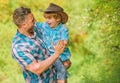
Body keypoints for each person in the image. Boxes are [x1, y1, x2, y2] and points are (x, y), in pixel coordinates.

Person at [11, 6, 66, 83]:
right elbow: (37, 69)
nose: (35, 21)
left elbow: (53, 30)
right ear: (24, 25)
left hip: (54, 78)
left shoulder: (36, 28)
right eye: (32, 20)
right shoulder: (18, 46)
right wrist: (57, 54)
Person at [35, 3, 72, 83]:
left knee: (61, 69)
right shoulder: (45, 25)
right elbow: (36, 25)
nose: (47, 20)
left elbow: (65, 40)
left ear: (58, 18)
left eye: (49, 18)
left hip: (60, 55)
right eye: (46, 18)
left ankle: (61, 81)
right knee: (61, 68)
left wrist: (62, 44)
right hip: (50, 54)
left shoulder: (62, 28)